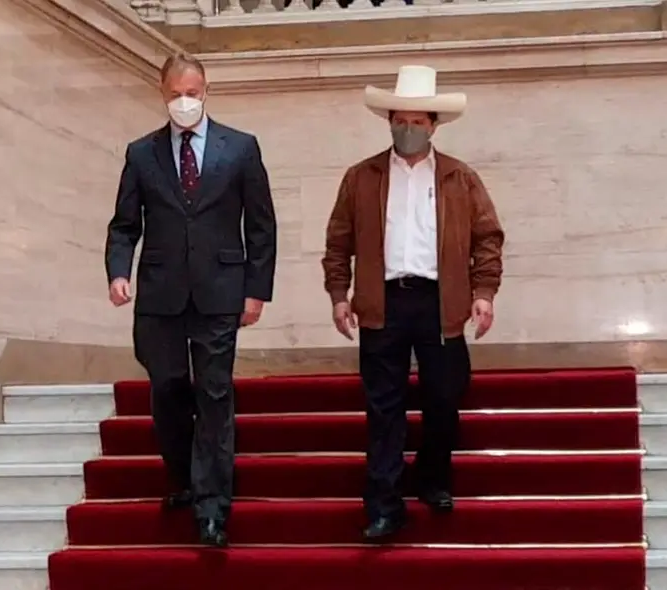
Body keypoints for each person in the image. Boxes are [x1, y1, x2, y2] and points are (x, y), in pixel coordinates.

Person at [321, 65, 504, 541]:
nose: (407, 129)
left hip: (440, 302)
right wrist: (340, 295)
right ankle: (383, 505)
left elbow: (488, 239)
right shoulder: (361, 177)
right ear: (389, 122)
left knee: (445, 394)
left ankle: (433, 478)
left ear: (433, 124)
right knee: (383, 407)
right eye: (399, 120)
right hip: (382, 302)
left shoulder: (459, 178)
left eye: (417, 122)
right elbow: (338, 242)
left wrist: (483, 293)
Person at [105, 52, 278, 548]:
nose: (186, 101)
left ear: (206, 90)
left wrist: (256, 289)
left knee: (216, 392)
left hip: (221, 290)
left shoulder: (241, 148)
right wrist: (119, 272)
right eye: (177, 93)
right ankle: (184, 475)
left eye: (194, 92)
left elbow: (261, 225)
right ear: (163, 93)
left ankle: (212, 508)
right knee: (168, 389)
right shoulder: (142, 154)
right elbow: (124, 224)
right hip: (159, 294)